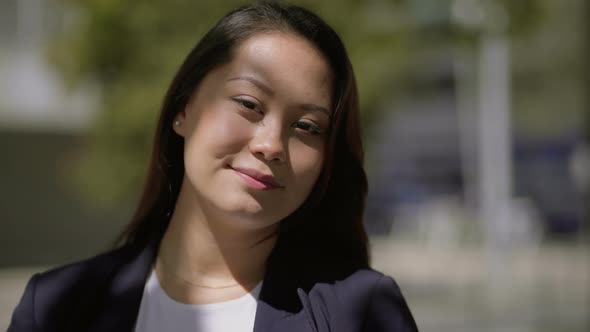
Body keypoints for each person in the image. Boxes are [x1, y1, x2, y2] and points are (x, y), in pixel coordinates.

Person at [8, 1, 418, 331]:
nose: (271, 144)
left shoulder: (358, 313)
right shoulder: (56, 308)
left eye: (308, 126)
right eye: (248, 104)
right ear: (183, 109)